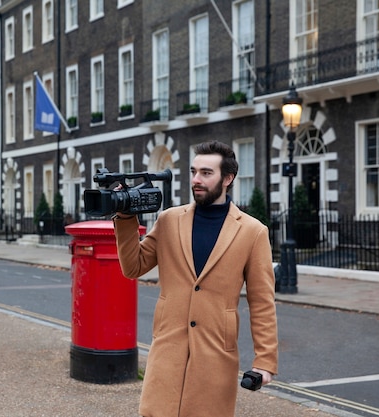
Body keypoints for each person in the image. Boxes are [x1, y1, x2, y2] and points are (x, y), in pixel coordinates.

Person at [113, 140, 278, 417]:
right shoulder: (169, 220)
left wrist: (265, 361)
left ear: (228, 178)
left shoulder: (253, 232)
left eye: (206, 173)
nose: (196, 180)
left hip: (215, 354)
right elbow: (133, 267)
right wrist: (125, 217)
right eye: (194, 172)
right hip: (168, 351)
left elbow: (262, 302)